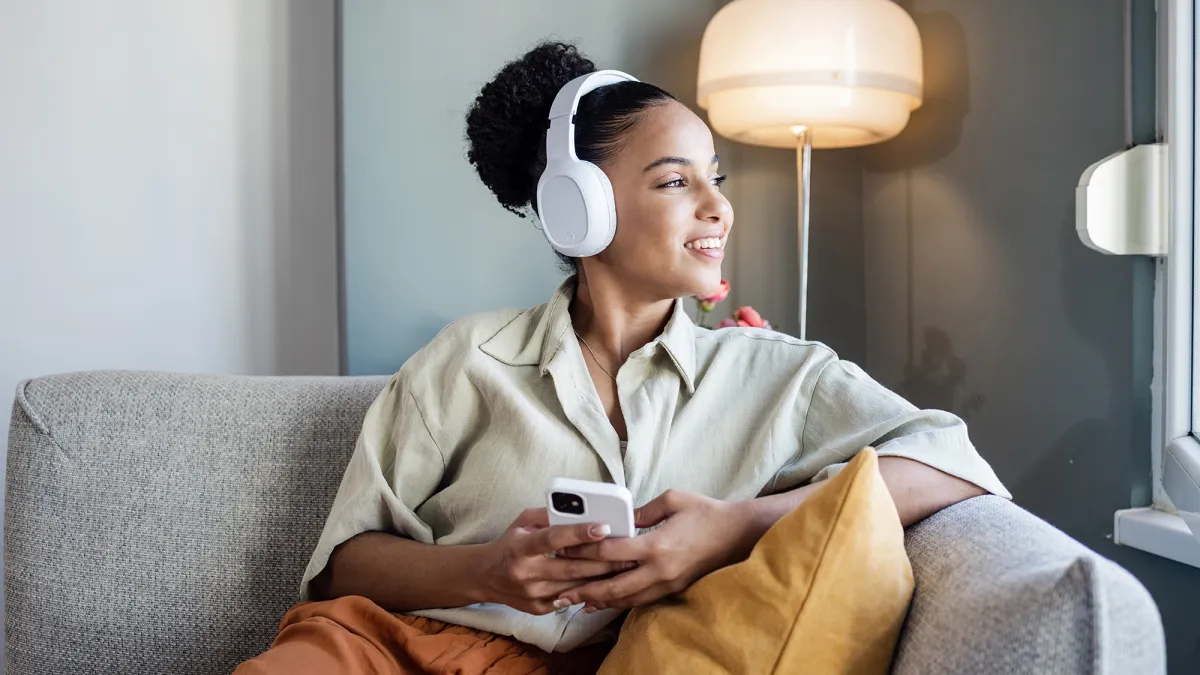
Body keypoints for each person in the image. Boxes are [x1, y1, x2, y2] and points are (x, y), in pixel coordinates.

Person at [236, 41, 1009, 675]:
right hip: (384, 649)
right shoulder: (468, 358)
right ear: (580, 205)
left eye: (717, 177)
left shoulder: (779, 375)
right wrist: (487, 571)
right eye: (676, 180)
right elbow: (347, 564)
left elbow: (950, 459)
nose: (719, 206)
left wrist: (734, 526)